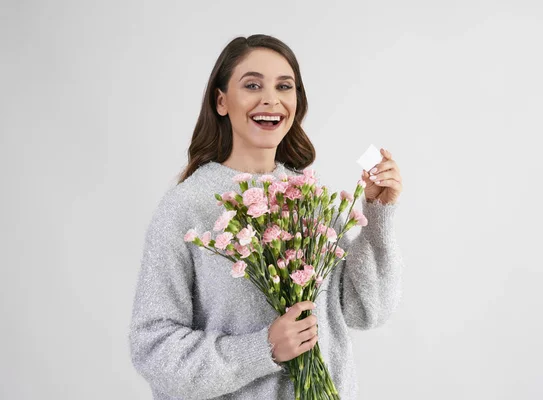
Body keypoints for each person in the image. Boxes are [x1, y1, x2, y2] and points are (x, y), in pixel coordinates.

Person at [129, 34, 404, 400]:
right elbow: (155, 350)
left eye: (284, 86)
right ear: (222, 101)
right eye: (253, 85)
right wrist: (263, 349)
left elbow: (365, 311)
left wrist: (378, 213)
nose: (271, 99)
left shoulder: (309, 196)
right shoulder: (186, 207)